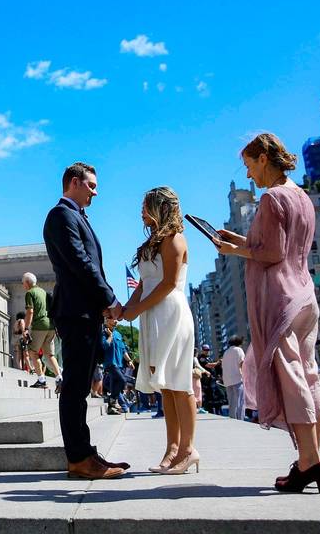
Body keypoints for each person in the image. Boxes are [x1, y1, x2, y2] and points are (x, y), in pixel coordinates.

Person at [214, 132, 320, 494]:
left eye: (250, 166)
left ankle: (309, 462)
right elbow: (278, 246)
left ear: (264, 158)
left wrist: (236, 252)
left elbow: (271, 254)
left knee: (293, 378)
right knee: (309, 374)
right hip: (305, 294)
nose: (249, 175)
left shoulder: (272, 199)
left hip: (279, 299)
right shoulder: (301, 198)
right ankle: (313, 459)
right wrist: (237, 241)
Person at [42, 162, 128, 480]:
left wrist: (103, 305)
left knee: (80, 389)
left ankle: (87, 452)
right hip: (75, 313)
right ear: (74, 183)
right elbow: (81, 263)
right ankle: (78, 458)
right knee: (76, 389)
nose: (96, 191)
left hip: (86, 312)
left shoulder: (76, 217)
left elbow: (89, 266)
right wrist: (109, 299)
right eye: (91, 185)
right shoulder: (61, 215)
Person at [122, 186, 199, 475]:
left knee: (180, 383)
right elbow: (143, 285)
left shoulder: (175, 239)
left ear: (159, 207)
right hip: (153, 315)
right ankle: (171, 448)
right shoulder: (153, 242)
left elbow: (168, 284)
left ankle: (188, 450)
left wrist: (136, 310)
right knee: (165, 385)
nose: (141, 211)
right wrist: (124, 311)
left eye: (146, 206)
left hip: (172, 314)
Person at [22, 273, 61, 389]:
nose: (23, 285)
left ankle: (41, 379)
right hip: (51, 326)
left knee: (33, 352)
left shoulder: (30, 293)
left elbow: (30, 312)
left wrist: (25, 328)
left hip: (39, 326)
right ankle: (59, 378)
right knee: (49, 354)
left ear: (27, 283)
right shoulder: (42, 291)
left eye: (23, 283)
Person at [101, 319, 130, 414]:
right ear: (106, 320)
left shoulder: (118, 334)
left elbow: (123, 349)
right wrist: (110, 336)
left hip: (119, 364)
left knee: (114, 385)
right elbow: (104, 346)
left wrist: (129, 360)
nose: (116, 321)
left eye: (117, 319)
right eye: (113, 319)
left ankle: (111, 408)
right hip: (110, 363)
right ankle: (113, 400)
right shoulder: (103, 332)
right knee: (123, 380)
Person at [222, 336, 246, 420]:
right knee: (240, 402)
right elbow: (242, 363)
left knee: (232, 402)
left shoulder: (226, 352)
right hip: (237, 378)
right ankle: (241, 419)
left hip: (227, 380)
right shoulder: (239, 350)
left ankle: (232, 419)